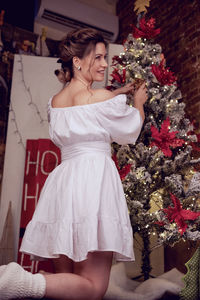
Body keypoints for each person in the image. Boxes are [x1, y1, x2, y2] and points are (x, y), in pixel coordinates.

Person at [0, 28, 147, 300]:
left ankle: (35, 282)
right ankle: (23, 281)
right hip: (93, 182)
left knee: (70, 286)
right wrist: (137, 103)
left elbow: (86, 109)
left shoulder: (55, 103)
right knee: (93, 288)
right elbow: (129, 131)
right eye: (99, 57)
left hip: (64, 185)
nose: (105, 64)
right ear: (77, 61)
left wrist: (117, 92)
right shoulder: (101, 99)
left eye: (106, 57)